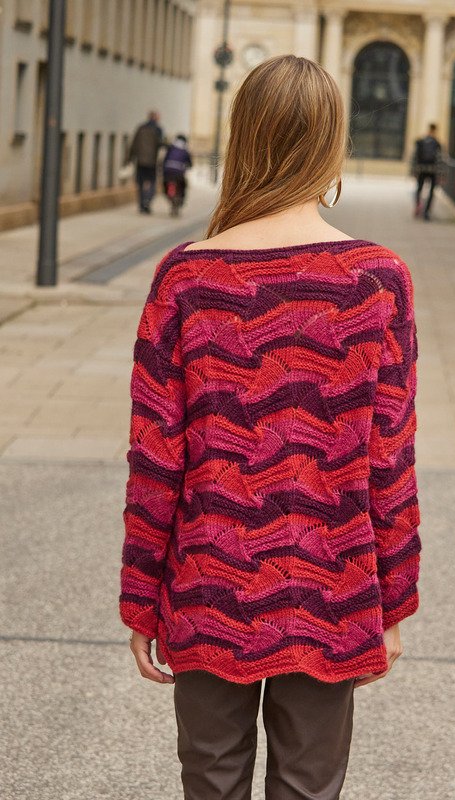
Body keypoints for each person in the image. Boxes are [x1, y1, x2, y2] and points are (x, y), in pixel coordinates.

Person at [119, 55, 422, 800]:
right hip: (333, 585)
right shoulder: (377, 280)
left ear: (244, 137)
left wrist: (141, 597)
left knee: (211, 781)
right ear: (331, 143)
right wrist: (392, 600)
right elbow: (389, 459)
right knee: (310, 788)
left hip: (208, 584)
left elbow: (155, 460)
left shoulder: (186, 277)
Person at [128, 111, 164, 214]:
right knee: (152, 182)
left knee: (140, 182)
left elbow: (134, 143)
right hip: (152, 161)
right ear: (156, 118)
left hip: (140, 161)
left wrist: (130, 158)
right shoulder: (158, 129)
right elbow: (161, 144)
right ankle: (147, 200)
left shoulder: (141, 128)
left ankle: (141, 204)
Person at [413, 123, 442, 221]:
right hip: (433, 170)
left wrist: (414, 170)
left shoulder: (421, 141)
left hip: (421, 169)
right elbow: (440, 158)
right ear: (435, 130)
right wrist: (440, 173)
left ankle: (418, 205)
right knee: (431, 191)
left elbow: (415, 157)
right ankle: (426, 212)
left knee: (419, 189)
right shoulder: (437, 143)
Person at [162, 134, 192, 216]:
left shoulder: (170, 148)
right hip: (179, 174)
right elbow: (190, 163)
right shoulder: (185, 151)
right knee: (182, 187)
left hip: (168, 172)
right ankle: (180, 201)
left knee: (165, 186)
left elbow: (164, 160)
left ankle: (171, 200)